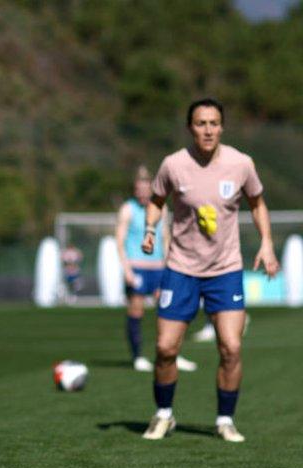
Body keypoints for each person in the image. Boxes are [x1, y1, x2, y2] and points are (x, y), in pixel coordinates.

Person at [141, 98, 279, 442]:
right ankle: (164, 415)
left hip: (225, 269)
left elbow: (257, 203)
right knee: (165, 348)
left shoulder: (241, 163)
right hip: (181, 268)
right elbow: (156, 201)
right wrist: (149, 230)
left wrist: (267, 243)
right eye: (201, 123)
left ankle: (225, 420)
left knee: (231, 347)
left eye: (214, 123)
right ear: (190, 127)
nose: (208, 129)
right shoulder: (173, 164)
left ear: (222, 127)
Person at [115, 166, 196, 373]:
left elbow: (166, 238)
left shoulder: (161, 208)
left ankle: (172, 355)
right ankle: (138, 357)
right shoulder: (128, 209)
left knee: (170, 311)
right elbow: (120, 241)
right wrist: (127, 270)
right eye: (138, 189)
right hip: (138, 267)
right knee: (136, 310)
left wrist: (172, 264)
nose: (142, 193)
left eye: (145, 189)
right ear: (135, 190)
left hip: (159, 268)